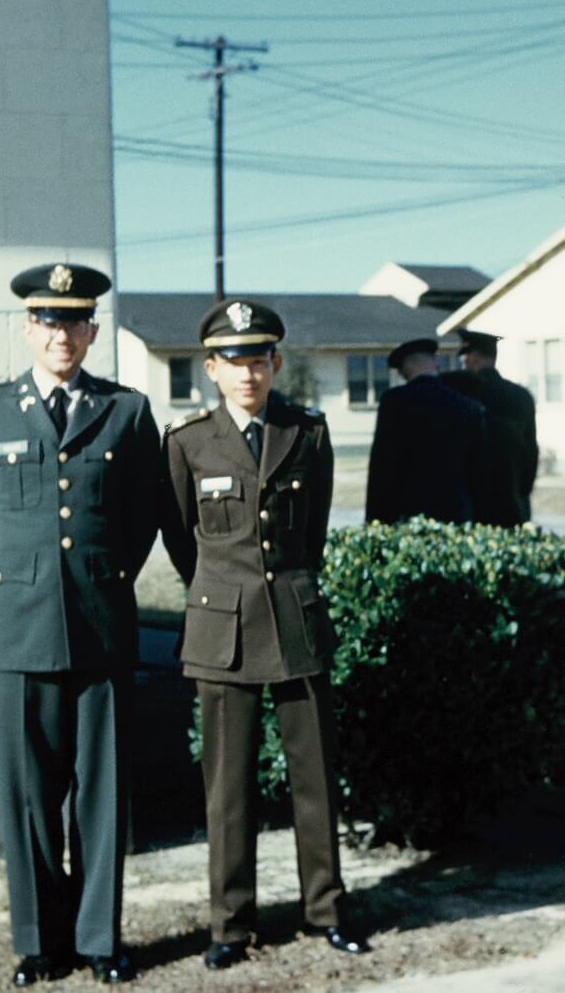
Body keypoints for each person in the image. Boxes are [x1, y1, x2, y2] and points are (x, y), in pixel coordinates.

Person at [0, 262, 160, 987]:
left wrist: (104, 579)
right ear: (27, 329)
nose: (60, 334)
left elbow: (141, 518)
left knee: (102, 795)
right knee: (30, 795)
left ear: (93, 332)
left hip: (101, 627)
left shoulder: (126, 412)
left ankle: (100, 940)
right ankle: (40, 943)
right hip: (18, 633)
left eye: (74, 321)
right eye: (47, 320)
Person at [157, 299, 371, 970]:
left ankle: (325, 909)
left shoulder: (306, 432)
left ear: (275, 363)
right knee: (229, 787)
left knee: (316, 778)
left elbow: (313, 532)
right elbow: (180, 538)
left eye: (259, 359)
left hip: (296, 623)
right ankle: (230, 924)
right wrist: (226, 593)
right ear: (211, 369)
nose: (247, 374)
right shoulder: (189, 442)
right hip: (224, 632)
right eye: (233, 361)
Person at [364, 336, 487, 525]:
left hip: (407, 515)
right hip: (456, 514)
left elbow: (382, 467)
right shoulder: (469, 407)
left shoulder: (394, 402)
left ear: (404, 368)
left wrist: (374, 520)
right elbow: (478, 470)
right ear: (435, 363)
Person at [452, 330, 541, 527]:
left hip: (474, 503)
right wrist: (521, 492)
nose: (464, 364)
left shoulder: (462, 395)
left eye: (465, 359)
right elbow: (531, 452)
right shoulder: (521, 396)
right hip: (513, 500)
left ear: (474, 358)